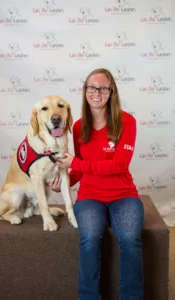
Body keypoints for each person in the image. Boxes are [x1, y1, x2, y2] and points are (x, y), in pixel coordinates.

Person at [49, 68, 144, 300]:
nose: (97, 92)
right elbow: (80, 170)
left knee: (130, 239)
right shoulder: (80, 126)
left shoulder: (127, 122)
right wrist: (64, 181)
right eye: (92, 87)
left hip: (124, 195)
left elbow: (119, 166)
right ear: (85, 91)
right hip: (90, 197)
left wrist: (76, 164)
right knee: (90, 240)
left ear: (111, 92)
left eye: (103, 88)